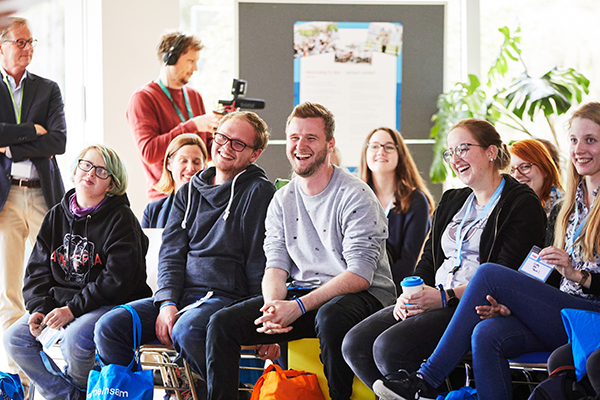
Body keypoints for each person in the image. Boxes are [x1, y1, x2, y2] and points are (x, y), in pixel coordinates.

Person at [371, 102, 600, 400]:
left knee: (489, 274)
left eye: (590, 140)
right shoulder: (568, 206)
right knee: (486, 333)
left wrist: (579, 276)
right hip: (559, 311)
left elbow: (568, 277)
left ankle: (426, 379)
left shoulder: (523, 202)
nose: (579, 148)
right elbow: (546, 276)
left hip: (589, 316)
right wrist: (518, 305)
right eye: (573, 140)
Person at [205, 102, 396, 400]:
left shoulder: (356, 195)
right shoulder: (282, 199)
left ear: (329, 145)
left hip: (365, 296)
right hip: (306, 294)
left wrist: (297, 308)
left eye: (311, 138)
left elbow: (359, 274)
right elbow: (275, 266)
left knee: (331, 316)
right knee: (221, 324)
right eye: (294, 137)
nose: (300, 145)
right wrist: (273, 310)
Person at [342, 119, 547, 393]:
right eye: (450, 152)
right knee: (354, 344)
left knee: (388, 347)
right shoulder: (452, 200)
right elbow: (428, 260)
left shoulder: (520, 202)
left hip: (470, 304)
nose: (455, 158)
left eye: (463, 148)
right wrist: (410, 295)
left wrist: (442, 298)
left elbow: (502, 274)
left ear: (491, 151)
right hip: (434, 296)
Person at [94, 111, 277, 399]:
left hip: (226, 298)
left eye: (238, 144)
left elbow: (261, 261)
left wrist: (265, 323)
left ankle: (227, 394)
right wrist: (166, 301)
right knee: (110, 327)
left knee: (187, 330)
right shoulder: (188, 192)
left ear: (255, 154)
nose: (226, 147)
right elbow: (170, 254)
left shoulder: (258, 192)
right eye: (222, 138)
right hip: (180, 299)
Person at [3, 144, 152, 400]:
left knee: (75, 339)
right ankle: (73, 396)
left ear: (112, 184)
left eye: (101, 171)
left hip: (109, 304)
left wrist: (72, 310)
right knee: (14, 338)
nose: (90, 174)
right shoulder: (55, 216)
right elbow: (37, 272)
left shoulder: (122, 219)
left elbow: (118, 280)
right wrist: (39, 308)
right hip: (62, 305)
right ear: (75, 168)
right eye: (86, 164)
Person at [0, 17, 66, 384]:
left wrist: (9, 141)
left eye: (31, 42)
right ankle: (16, 378)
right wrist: (31, 131)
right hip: (5, 198)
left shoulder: (48, 89)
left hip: (42, 193)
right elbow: (42, 136)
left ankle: (48, 364)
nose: (27, 48)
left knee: (49, 280)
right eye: (20, 42)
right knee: (10, 290)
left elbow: (58, 141)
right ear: (2, 46)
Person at [128, 30, 222, 201]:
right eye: (190, 61)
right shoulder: (143, 98)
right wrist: (192, 126)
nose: (195, 68)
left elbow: (207, 152)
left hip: (198, 195)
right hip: (164, 198)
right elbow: (149, 153)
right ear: (169, 59)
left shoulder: (194, 96)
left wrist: (223, 131)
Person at [359, 127, 434, 292]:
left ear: (400, 155)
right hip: (356, 286)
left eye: (389, 147)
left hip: (397, 291)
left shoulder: (416, 201)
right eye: (374, 146)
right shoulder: (356, 199)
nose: (381, 151)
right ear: (366, 153)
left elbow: (409, 262)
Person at [142, 133, 208, 228]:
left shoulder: (214, 207)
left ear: (204, 167)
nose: (190, 168)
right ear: (169, 164)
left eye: (196, 162)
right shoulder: (152, 210)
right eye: (183, 161)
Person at [510, 139, 563, 217]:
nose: (516, 175)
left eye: (525, 167)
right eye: (511, 170)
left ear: (545, 169)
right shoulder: (507, 205)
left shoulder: (564, 208)